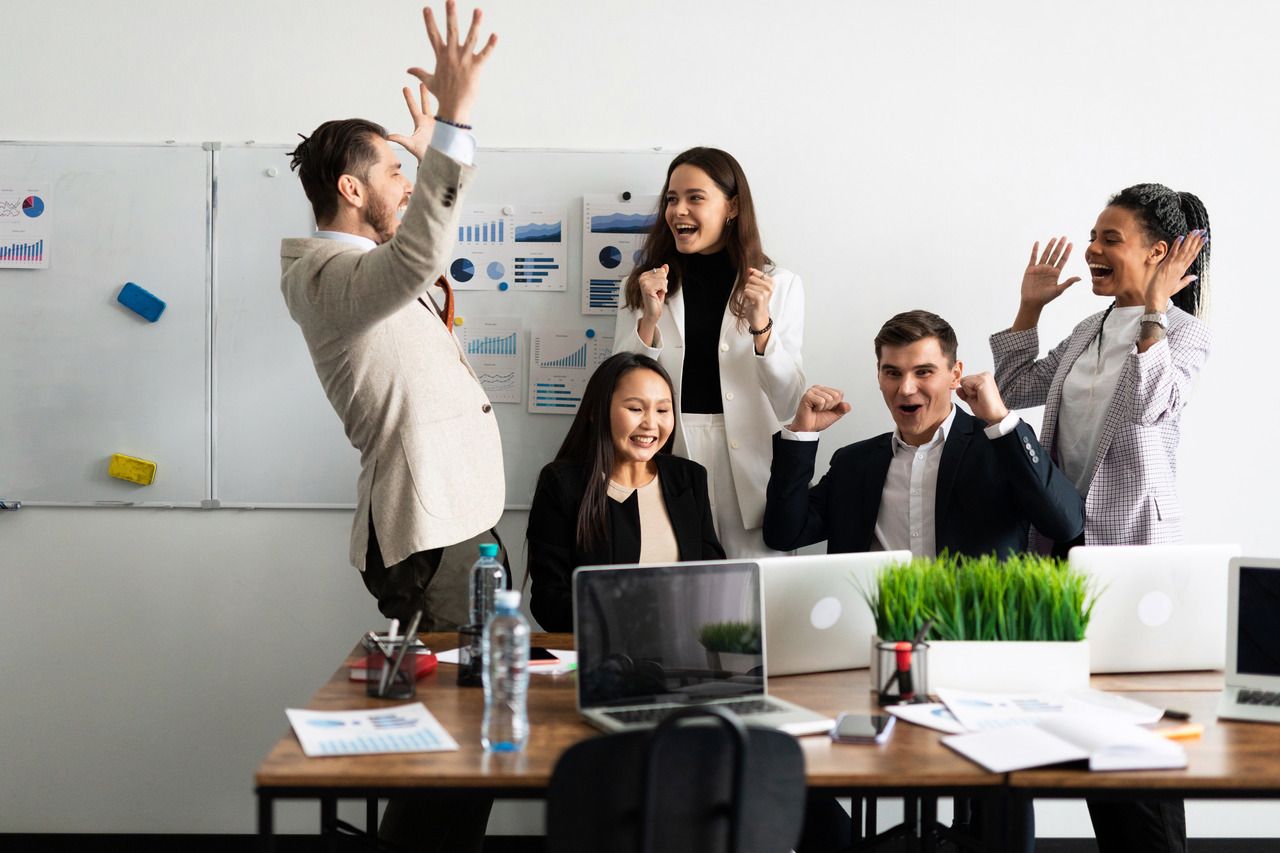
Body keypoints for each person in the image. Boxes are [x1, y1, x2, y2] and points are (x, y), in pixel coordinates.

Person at [280, 5, 498, 852]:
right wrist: (455, 120)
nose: (406, 187)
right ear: (349, 187)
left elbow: (420, 242)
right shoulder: (327, 275)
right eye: (392, 175)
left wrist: (426, 150)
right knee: (457, 731)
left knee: (470, 724)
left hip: (458, 520)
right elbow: (417, 254)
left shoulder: (365, 268)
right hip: (428, 527)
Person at [990, 184, 1211, 853]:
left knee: (1135, 745)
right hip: (1062, 548)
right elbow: (1018, 386)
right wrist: (1029, 307)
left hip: (1130, 552)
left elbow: (1150, 403)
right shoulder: (1089, 328)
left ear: (1161, 252)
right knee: (1084, 733)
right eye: (1094, 236)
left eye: (1109, 238)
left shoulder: (1184, 333)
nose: (1091, 250)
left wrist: (1155, 308)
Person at [764, 310, 1084, 558]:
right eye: (892, 373)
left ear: (954, 374)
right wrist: (800, 435)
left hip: (972, 638)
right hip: (877, 635)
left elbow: (1066, 524)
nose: (906, 388)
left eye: (923, 372)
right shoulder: (853, 463)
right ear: (879, 376)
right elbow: (784, 534)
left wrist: (1001, 420)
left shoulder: (1000, 444)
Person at [613, 147, 805, 558]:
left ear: (732, 206)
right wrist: (649, 319)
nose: (678, 210)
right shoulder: (645, 284)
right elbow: (617, 383)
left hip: (749, 461)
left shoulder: (778, 285)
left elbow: (789, 400)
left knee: (751, 597)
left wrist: (761, 326)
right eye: (671, 199)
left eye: (695, 198)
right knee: (673, 583)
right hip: (669, 446)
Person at [527, 352, 724, 632]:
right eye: (635, 409)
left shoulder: (688, 479)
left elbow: (717, 579)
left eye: (662, 410)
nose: (650, 424)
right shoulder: (562, 483)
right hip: (605, 660)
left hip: (684, 654)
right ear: (597, 412)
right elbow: (549, 603)